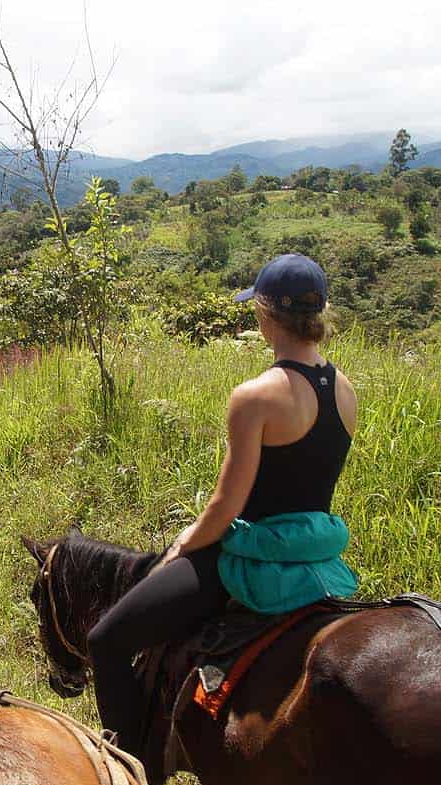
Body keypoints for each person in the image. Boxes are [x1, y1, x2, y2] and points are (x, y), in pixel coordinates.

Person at [85, 253, 359, 756]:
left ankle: (130, 761)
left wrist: (181, 545)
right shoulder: (344, 389)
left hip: (253, 559)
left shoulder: (255, 396)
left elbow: (226, 507)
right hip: (317, 559)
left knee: (107, 639)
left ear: (263, 312)